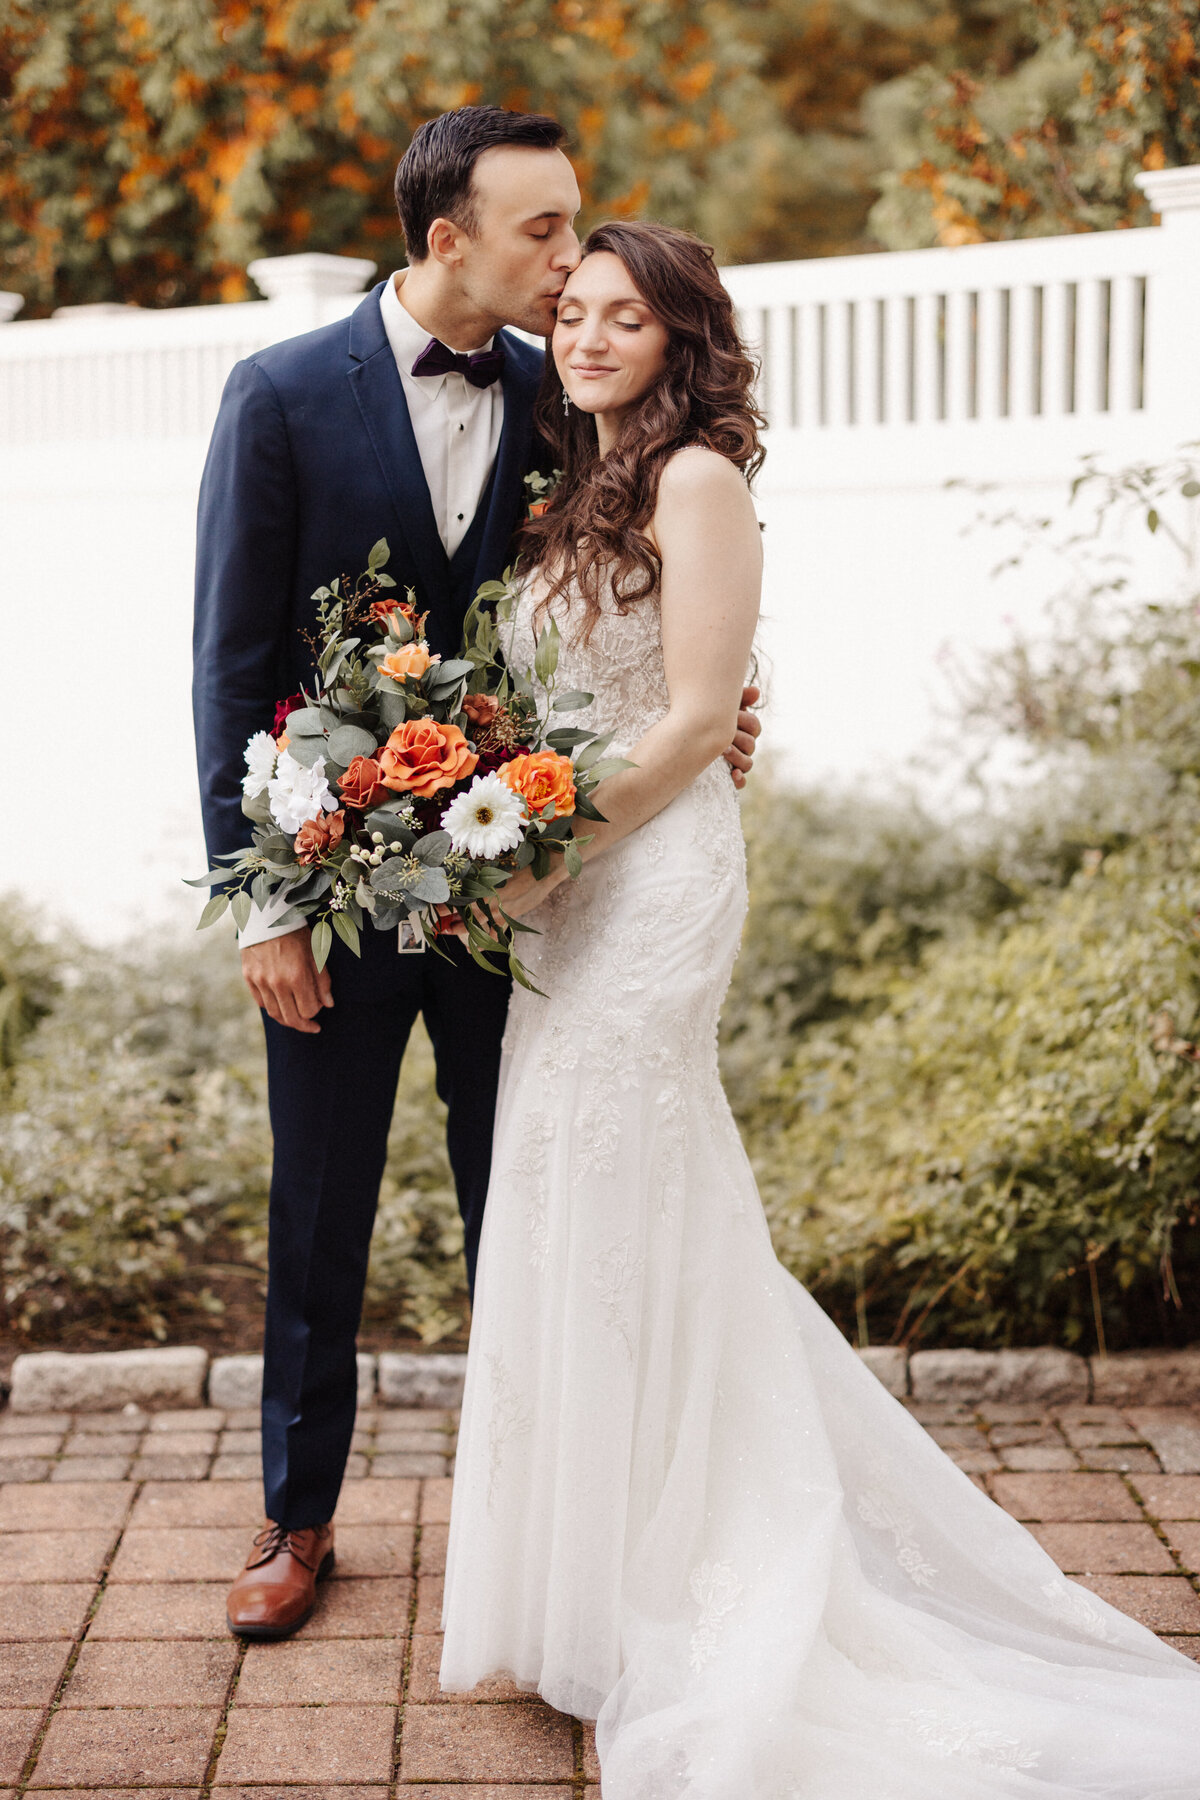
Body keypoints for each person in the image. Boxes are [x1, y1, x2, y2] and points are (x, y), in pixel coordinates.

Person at [439, 220, 1200, 1798]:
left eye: (623, 319)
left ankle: (697, 1568)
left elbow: (700, 712)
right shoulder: (573, 489)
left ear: (679, 339)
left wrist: (538, 856)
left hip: (645, 884)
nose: (586, 338)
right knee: (586, 1198)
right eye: (572, 314)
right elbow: (565, 706)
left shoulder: (697, 482)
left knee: (628, 1180)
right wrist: (484, 823)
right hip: (567, 879)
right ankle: (591, 1576)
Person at [192, 108, 761, 1641]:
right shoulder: (281, 394)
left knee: (537, 1193)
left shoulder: (561, 393)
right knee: (318, 1204)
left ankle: (558, 1524)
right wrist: (263, 899)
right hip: (336, 886)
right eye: (545, 233)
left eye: (578, 234)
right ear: (449, 237)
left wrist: (714, 716)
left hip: (543, 895)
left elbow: (648, 599)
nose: (571, 261)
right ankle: (296, 1518)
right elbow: (231, 662)